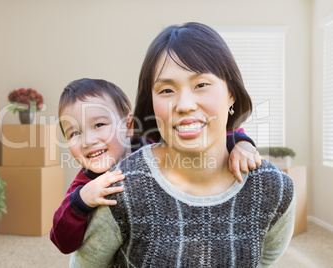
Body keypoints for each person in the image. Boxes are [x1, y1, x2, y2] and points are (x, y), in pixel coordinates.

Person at [70, 22, 295, 267]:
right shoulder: (120, 188)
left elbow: (266, 258)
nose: (184, 104)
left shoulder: (273, 188)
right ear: (152, 103)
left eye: (201, 85)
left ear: (231, 93)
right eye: (166, 90)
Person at [50, 78, 261, 254]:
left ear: (128, 126)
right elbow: (62, 241)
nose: (88, 140)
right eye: (74, 133)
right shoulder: (84, 183)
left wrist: (241, 143)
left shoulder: (152, 146)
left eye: (99, 125)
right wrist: (81, 201)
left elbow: (210, 137)